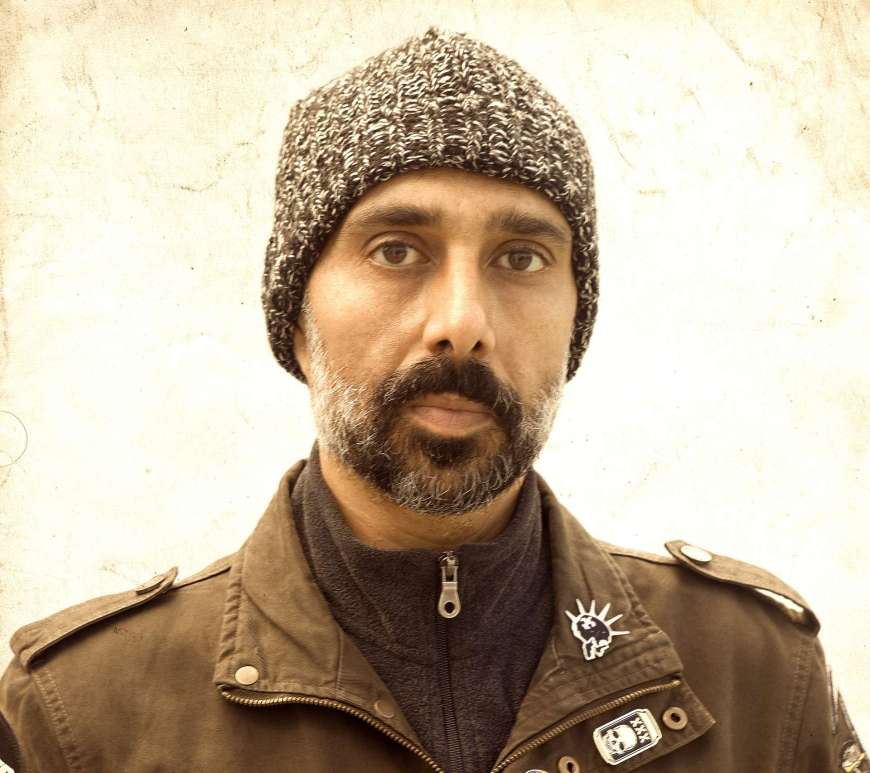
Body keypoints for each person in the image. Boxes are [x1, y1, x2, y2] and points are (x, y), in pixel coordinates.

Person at [0, 26, 865, 773]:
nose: (462, 324)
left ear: (576, 319)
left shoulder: (756, 674)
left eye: (521, 258)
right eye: (396, 250)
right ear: (295, 318)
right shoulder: (80, 714)